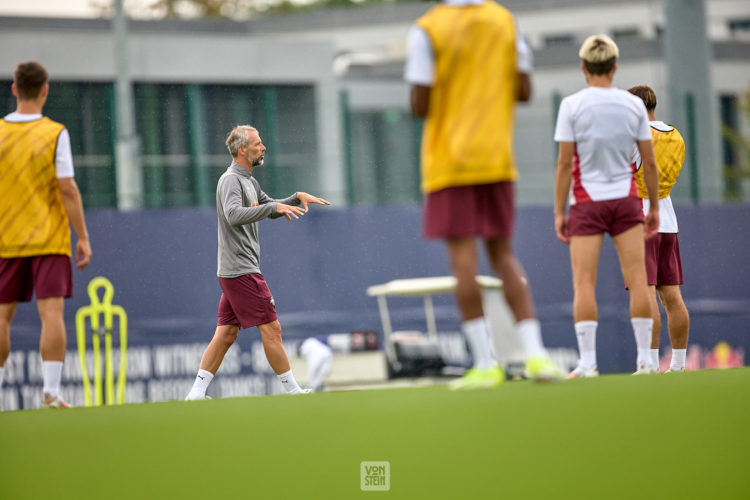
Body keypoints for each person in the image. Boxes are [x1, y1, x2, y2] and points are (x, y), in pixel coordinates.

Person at [404, 0, 562, 389]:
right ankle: (538, 356)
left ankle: (486, 362)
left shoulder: (428, 28)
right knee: (503, 256)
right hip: (497, 159)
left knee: (464, 262)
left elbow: (419, 103)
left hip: (450, 162)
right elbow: (524, 90)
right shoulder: (505, 21)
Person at [186, 125, 330, 400]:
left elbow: (267, 206)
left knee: (227, 332)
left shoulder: (250, 180)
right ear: (242, 149)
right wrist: (272, 208)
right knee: (272, 328)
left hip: (235, 270)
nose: (263, 148)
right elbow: (233, 214)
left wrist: (294, 198)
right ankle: (293, 391)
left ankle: (196, 393)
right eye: (257, 144)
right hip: (241, 270)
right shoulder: (230, 180)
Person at [553, 35, 660, 378]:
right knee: (639, 279)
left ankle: (587, 363)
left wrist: (559, 211)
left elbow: (564, 164)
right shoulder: (633, 106)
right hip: (626, 201)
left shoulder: (571, 105)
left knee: (584, 282)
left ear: (583, 69)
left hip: (586, 202)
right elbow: (649, 162)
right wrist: (654, 207)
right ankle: (645, 360)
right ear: (615, 68)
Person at [0, 61, 92, 410]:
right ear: (45, 90)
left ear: (13, 89)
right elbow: (67, 188)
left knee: (1, 317)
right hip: (49, 239)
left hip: (6, 239)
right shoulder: (54, 133)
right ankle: (51, 392)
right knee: (51, 315)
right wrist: (82, 236)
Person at [627, 85, 690, 372]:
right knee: (673, 297)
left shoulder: (636, 138)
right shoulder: (676, 135)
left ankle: (649, 363)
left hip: (640, 219)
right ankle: (678, 365)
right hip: (668, 219)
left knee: (645, 293)